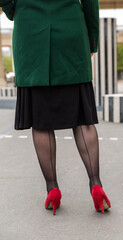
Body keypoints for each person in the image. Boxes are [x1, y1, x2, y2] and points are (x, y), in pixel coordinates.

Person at [0, 0, 111, 215]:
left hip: (31, 35)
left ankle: (53, 189)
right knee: (83, 120)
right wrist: (91, 41)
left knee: (41, 124)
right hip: (70, 33)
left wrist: (13, 9)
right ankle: (96, 184)